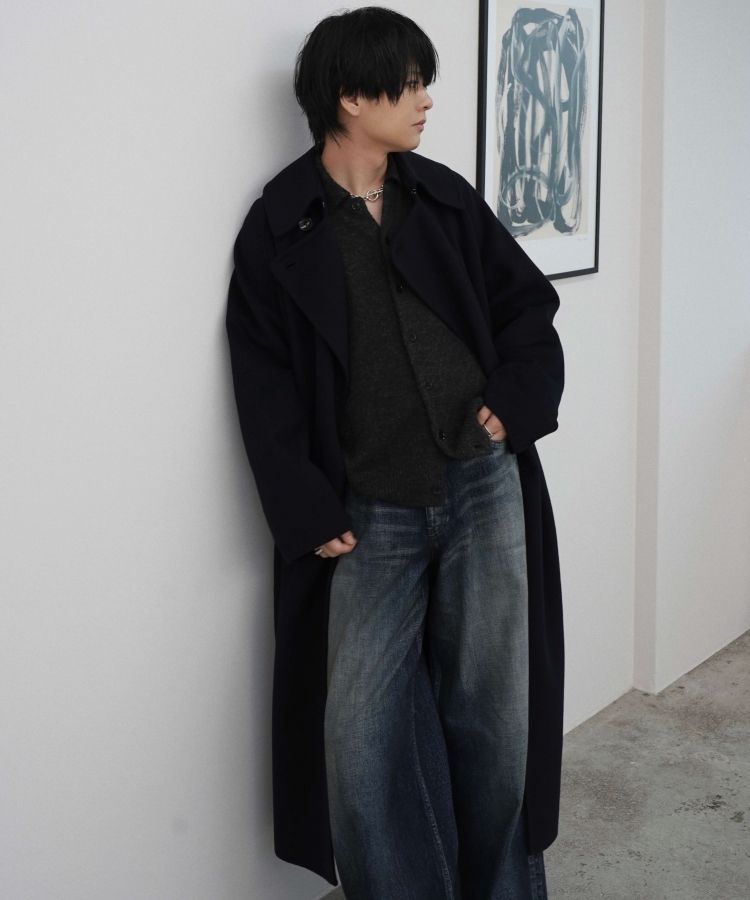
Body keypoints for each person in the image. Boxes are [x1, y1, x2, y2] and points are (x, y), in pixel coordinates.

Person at [226, 7, 564, 899]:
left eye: (423, 82)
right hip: (368, 511)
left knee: (493, 724)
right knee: (359, 739)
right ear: (350, 95)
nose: (425, 100)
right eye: (409, 84)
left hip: (482, 484)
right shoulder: (281, 225)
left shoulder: (442, 197)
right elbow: (261, 380)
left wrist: (513, 404)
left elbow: (527, 308)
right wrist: (304, 504)